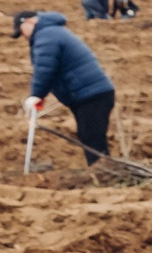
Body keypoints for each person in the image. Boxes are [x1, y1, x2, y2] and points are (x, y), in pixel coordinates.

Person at [14, 10, 117, 165]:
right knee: (90, 137)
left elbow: (45, 68)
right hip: (88, 94)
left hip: (91, 95)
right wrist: (41, 95)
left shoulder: (46, 35)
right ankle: (103, 171)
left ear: (28, 21)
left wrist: (36, 95)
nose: (23, 36)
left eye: (21, 31)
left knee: (92, 138)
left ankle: (105, 173)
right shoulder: (51, 32)